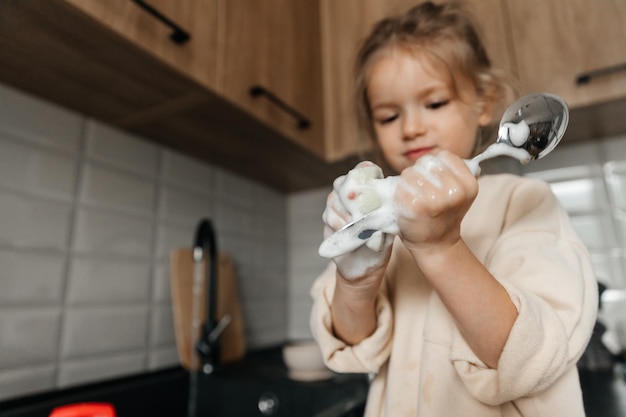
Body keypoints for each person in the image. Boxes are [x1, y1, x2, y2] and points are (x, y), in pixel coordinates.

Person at [309, 2, 598, 416]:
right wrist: (356, 279)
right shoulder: (379, 220)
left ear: (484, 103)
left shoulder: (523, 204)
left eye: (435, 103)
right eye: (389, 116)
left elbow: (534, 357)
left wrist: (440, 246)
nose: (410, 128)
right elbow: (353, 347)